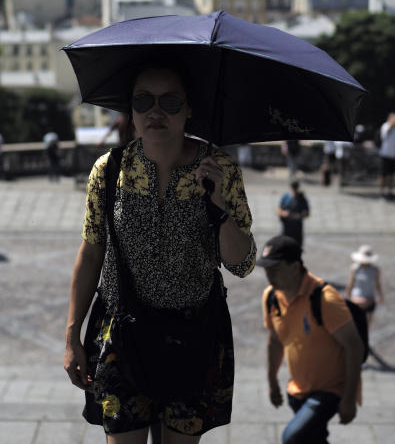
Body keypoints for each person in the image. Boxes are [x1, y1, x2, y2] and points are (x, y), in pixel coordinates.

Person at [64, 62, 256, 443]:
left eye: (170, 101)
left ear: (189, 108)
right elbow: (91, 253)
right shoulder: (110, 170)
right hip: (122, 334)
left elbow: (242, 263)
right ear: (130, 110)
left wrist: (218, 206)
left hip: (194, 336)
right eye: (143, 100)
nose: (155, 111)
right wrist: (71, 335)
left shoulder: (220, 169)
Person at [260, 236, 363, 444]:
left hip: (330, 390)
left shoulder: (325, 299)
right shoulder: (271, 297)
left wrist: (349, 399)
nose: (269, 274)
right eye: (266, 268)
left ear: (295, 266)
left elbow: (355, 347)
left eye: (275, 268)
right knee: (314, 439)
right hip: (296, 390)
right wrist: (272, 381)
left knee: (292, 438)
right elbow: (276, 341)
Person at [345, 245, 383, 328]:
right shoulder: (355, 268)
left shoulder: (375, 269)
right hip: (357, 297)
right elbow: (351, 282)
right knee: (356, 322)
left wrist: (380, 296)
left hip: (370, 297)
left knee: (367, 324)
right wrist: (347, 294)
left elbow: (377, 284)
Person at [277, 180, 310, 248]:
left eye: (295, 187)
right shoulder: (286, 197)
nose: (294, 189)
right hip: (287, 228)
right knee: (285, 247)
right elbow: (278, 209)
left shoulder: (301, 198)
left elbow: (307, 213)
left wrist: (299, 216)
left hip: (297, 228)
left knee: (296, 247)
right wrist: (284, 213)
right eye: (293, 187)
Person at [377, 113, 395, 199]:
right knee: (383, 175)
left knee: (391, 175)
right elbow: (385, 135)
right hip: (385, 155)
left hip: (393, 156)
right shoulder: (385, 126)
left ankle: (389, 192)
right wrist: (392, 124)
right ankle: (381, 193)